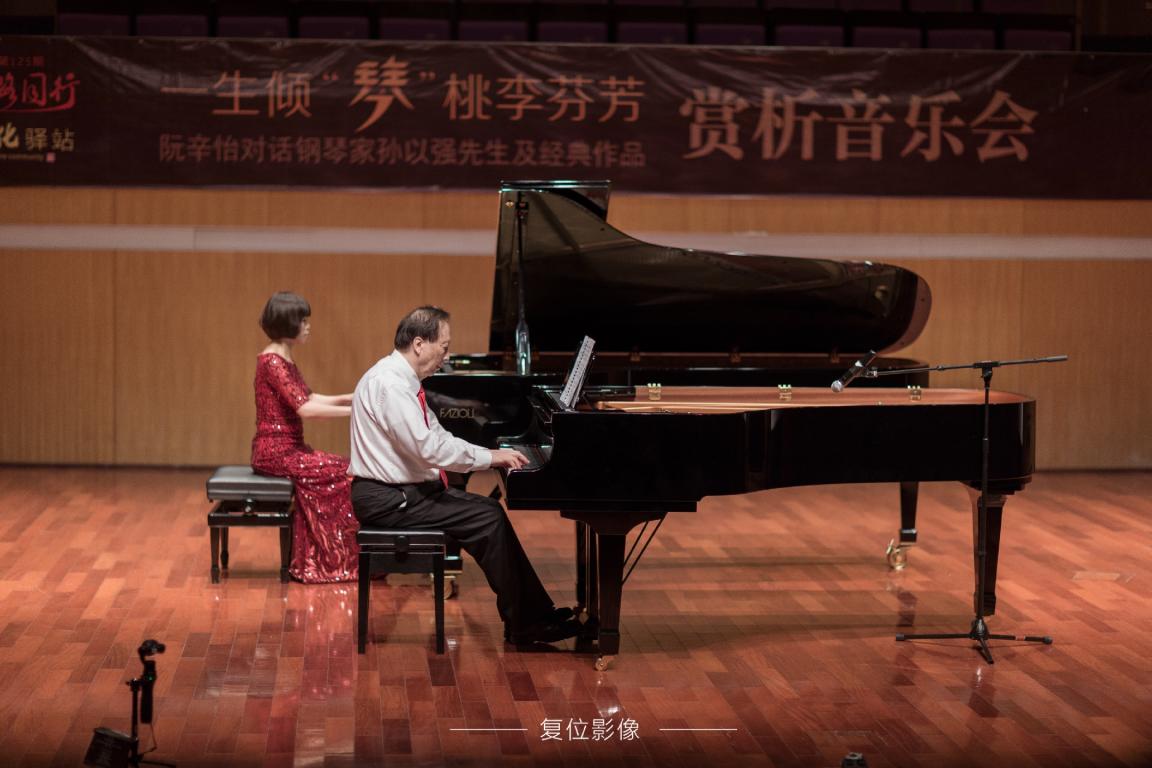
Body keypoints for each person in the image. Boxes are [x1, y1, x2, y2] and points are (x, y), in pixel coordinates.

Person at [349, 306, 580, 645]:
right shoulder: (391, 385)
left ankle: (532, 616)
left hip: (401, 492)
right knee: (488, 517)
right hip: (388, 499)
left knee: (488, 513)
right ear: (419, 344)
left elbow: (438, 436)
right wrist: (489, 458)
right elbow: (429, 450)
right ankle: (528, 622)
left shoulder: (400, 380)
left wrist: (489, 453)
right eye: (444, 347)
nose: (446, 356)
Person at [251, 291, 358, 583]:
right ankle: (331, 559)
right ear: (288, 323)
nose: (308, 326)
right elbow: (307, 409)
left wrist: (351, 397)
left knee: (347, 468)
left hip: (289, 450)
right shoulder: (272, 361)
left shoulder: (283, 357)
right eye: (303, 320)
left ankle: (333, 556)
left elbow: (308, 397)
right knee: (346, 471)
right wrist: (355, 411)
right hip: (275, 454)